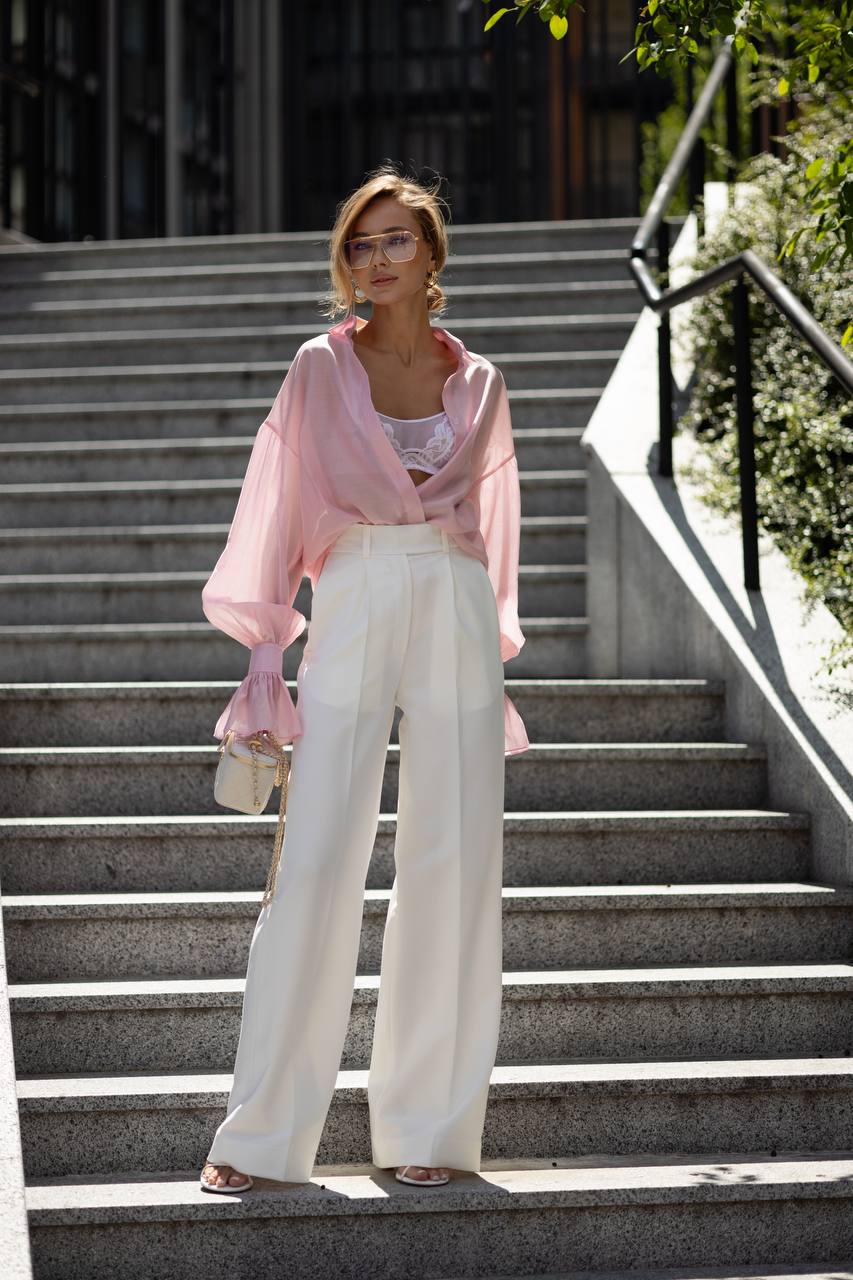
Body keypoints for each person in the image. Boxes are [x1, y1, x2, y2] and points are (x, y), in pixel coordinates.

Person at [199, 163, 529, 1195]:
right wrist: (265, 657)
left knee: (454, 859)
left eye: (393, 239)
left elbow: (497, 537)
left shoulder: (479, 383)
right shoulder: (316, 367)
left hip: (456, 605)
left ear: (432, 252)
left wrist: (490, 633)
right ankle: (260, 1133)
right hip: (351, 593)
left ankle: (429, 1125)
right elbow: (273, 511)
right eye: (358, 242)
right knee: (319, 857)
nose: (373, 258)